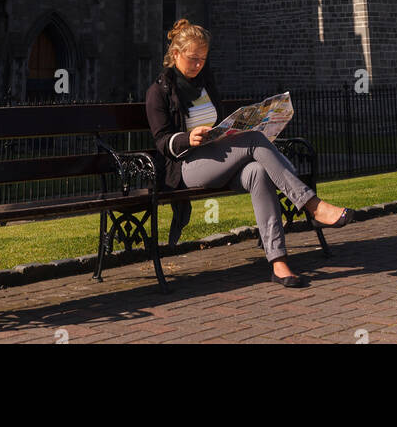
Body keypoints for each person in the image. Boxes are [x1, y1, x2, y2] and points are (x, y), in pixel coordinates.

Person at [145, 18, 354, 287]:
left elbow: (219, 119)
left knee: (258, 173)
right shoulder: (158, 91)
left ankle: (278, 262)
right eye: (193, 58)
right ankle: (313, 206)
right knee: (254, 140)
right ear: (175, 54)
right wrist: (187, 138)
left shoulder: (205, 82)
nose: (198, 65)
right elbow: (162, 141)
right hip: (187, 167)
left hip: (220, 158)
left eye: (203, 59)